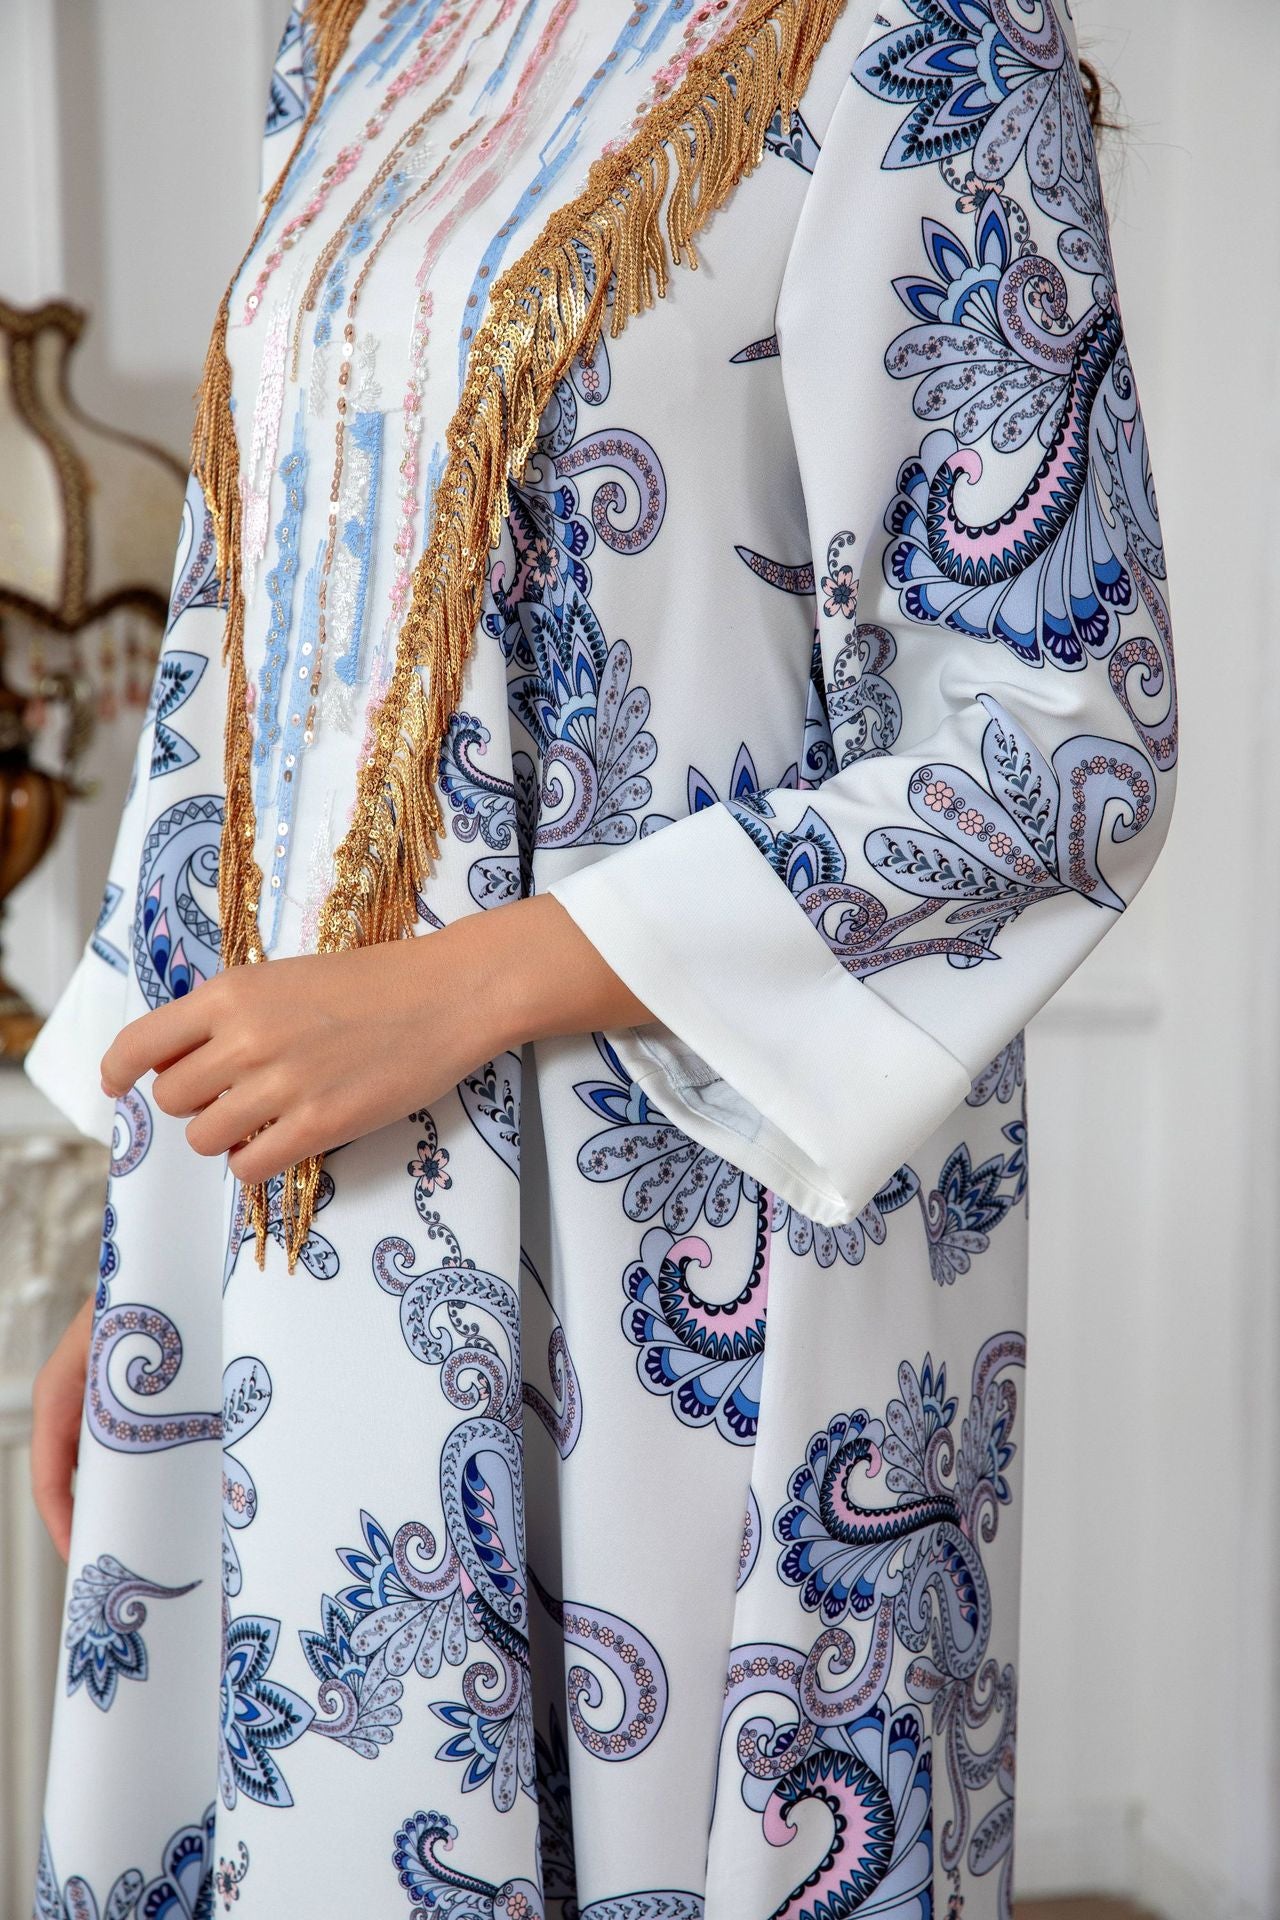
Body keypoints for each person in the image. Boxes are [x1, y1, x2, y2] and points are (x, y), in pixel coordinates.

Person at [27, 2, 1177, 1915]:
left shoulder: (916, 38)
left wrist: (455, 991)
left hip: (689, 1246)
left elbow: (1065, 739)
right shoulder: (355, 37)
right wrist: (153, 1246)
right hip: (301, 1246)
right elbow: (239, 680)